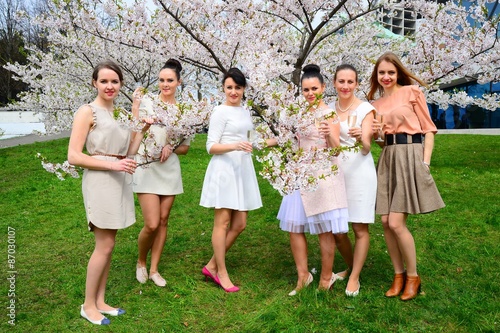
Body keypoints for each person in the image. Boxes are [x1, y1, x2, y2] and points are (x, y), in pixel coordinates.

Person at [67, 60, 151, 325]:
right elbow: (73, 156)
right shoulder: (87, 111)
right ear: (94, 83)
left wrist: (143, 129)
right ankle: (88, 305)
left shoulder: (120, 114)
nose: (109, 86)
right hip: (100, 181)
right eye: (104, 81)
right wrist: (113, 165)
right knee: (103, 245)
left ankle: (101, 301)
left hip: (119, 178)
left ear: (121, 84)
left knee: (109, 245)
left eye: (114, 81)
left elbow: (129, 152)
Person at [367, 52, 445, 301]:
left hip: (411, 154)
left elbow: (429, 129)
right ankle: (398, 275)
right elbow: (380, 142)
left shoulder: (412, 92)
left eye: (390, 72)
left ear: (398, 72)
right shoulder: (374, 105)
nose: (386, 77)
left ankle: (412, 276)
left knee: (397, 223)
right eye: (382, 73)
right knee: (386, 221)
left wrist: (425, 161)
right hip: (388, 157)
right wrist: (377, 135)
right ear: (376, 76)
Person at [276, 64, 349, 296]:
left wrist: (329, 134)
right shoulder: (298, 114)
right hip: (300, 173)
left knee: (324, 229)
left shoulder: (330, 115)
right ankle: (303, 275)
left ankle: (326, 278)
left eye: (314, 88)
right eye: (305, 89)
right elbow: (293, 145)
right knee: (294, 226)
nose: (310, 93)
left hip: (323, 175)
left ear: (323, 88)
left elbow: (337, 151)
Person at [199, 67, 261, 293]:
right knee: (223, 223)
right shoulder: (220, 111)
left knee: (240, 223)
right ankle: (220, 272)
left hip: (242, 168)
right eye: (229, 87)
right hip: (224, 169)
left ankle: (212, 264)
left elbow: (252, 139)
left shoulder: (246, 112)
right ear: (224, 89)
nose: (233, 92)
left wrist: (281, 139)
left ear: (244, 89)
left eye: (238, 87)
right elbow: (210, 146)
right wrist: (234, 146)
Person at [133, 59, 190, 287]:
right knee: (152, 224)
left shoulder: (183, 112)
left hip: (169, 170)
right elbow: (133, 131)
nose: (164, 84)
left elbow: (185, 148)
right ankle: (140, 262)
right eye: (161, 80)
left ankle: (155, 269)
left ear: (178, 82)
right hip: (146, 166)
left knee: (164, 220)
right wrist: (136, 107)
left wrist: (172, 146)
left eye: (169, 80)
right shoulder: (147, 102)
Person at [330, 64, 377, 297]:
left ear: (357, 84)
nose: (345, 86)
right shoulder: (328, 109)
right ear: (334, 83)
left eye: (350, 82)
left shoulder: (366, 109)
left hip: (360, 171)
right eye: (341, 81)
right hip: (335, 172)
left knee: (359, 226)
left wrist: (361, 138)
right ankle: (350, 267)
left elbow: (368, 149)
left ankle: (355, 276)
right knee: (338, 230)